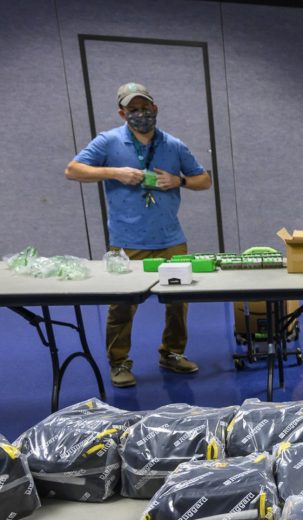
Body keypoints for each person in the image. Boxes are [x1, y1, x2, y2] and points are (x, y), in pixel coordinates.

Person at [66, 82, 211, 388]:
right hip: (127, 240)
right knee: (121, 305)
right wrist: (114, 172)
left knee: (178, 302)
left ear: (155, 109)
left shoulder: (174, 145)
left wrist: (180, 180)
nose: (141, 113)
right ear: (122, 113)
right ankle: (119, 362)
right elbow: (73, 170)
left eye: (145, 107)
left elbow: (204, 180)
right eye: (133, 109)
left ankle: (172, 353)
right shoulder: (108, 142)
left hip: (171, 239)